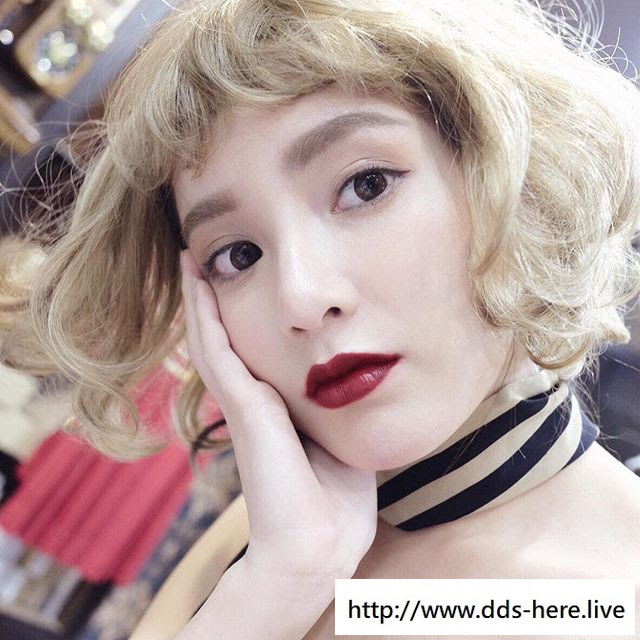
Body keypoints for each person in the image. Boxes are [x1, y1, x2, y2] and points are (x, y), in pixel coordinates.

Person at [1, 0, 640, 638]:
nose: (301, 298)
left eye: (366, 185)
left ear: (516, 174)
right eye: (238, 255)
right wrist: (278, 585)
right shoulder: (279, 539)